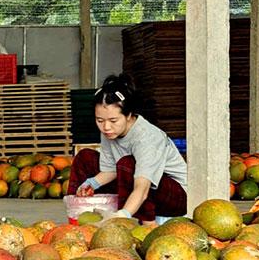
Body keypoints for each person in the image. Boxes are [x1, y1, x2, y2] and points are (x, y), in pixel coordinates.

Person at [68, 74, 187, 221]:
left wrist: (123, 215)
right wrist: (91, 183)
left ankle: (144, 223)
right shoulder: (109, 131)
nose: (106, 127)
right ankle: (77, 215)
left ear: (129, 115)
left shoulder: (146, 137)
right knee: (85, 157)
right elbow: (111, 170)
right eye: (100, 120)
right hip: (134, 184)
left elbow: (142, 189)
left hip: (175, 197)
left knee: (127, 163)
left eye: (113, 120)